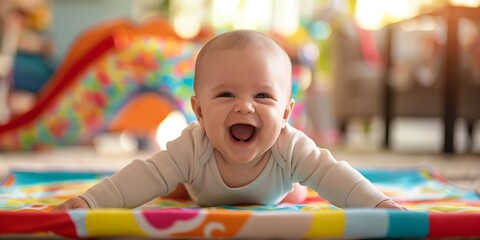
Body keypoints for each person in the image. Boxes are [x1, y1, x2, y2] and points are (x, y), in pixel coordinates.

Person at [54, 30, 404, 210]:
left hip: (276, 192)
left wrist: (380, 205)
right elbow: (142, 175)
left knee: (302, 190)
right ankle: (183, 184)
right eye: (226, 95)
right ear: (200, 112)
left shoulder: (289, 144)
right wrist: (90, 202)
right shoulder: (194, 145)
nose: (244, 107)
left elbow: (335, 175)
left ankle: (293, 186)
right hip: (200, 186)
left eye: (262, 96)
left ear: (286, 113)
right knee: (167, 184)